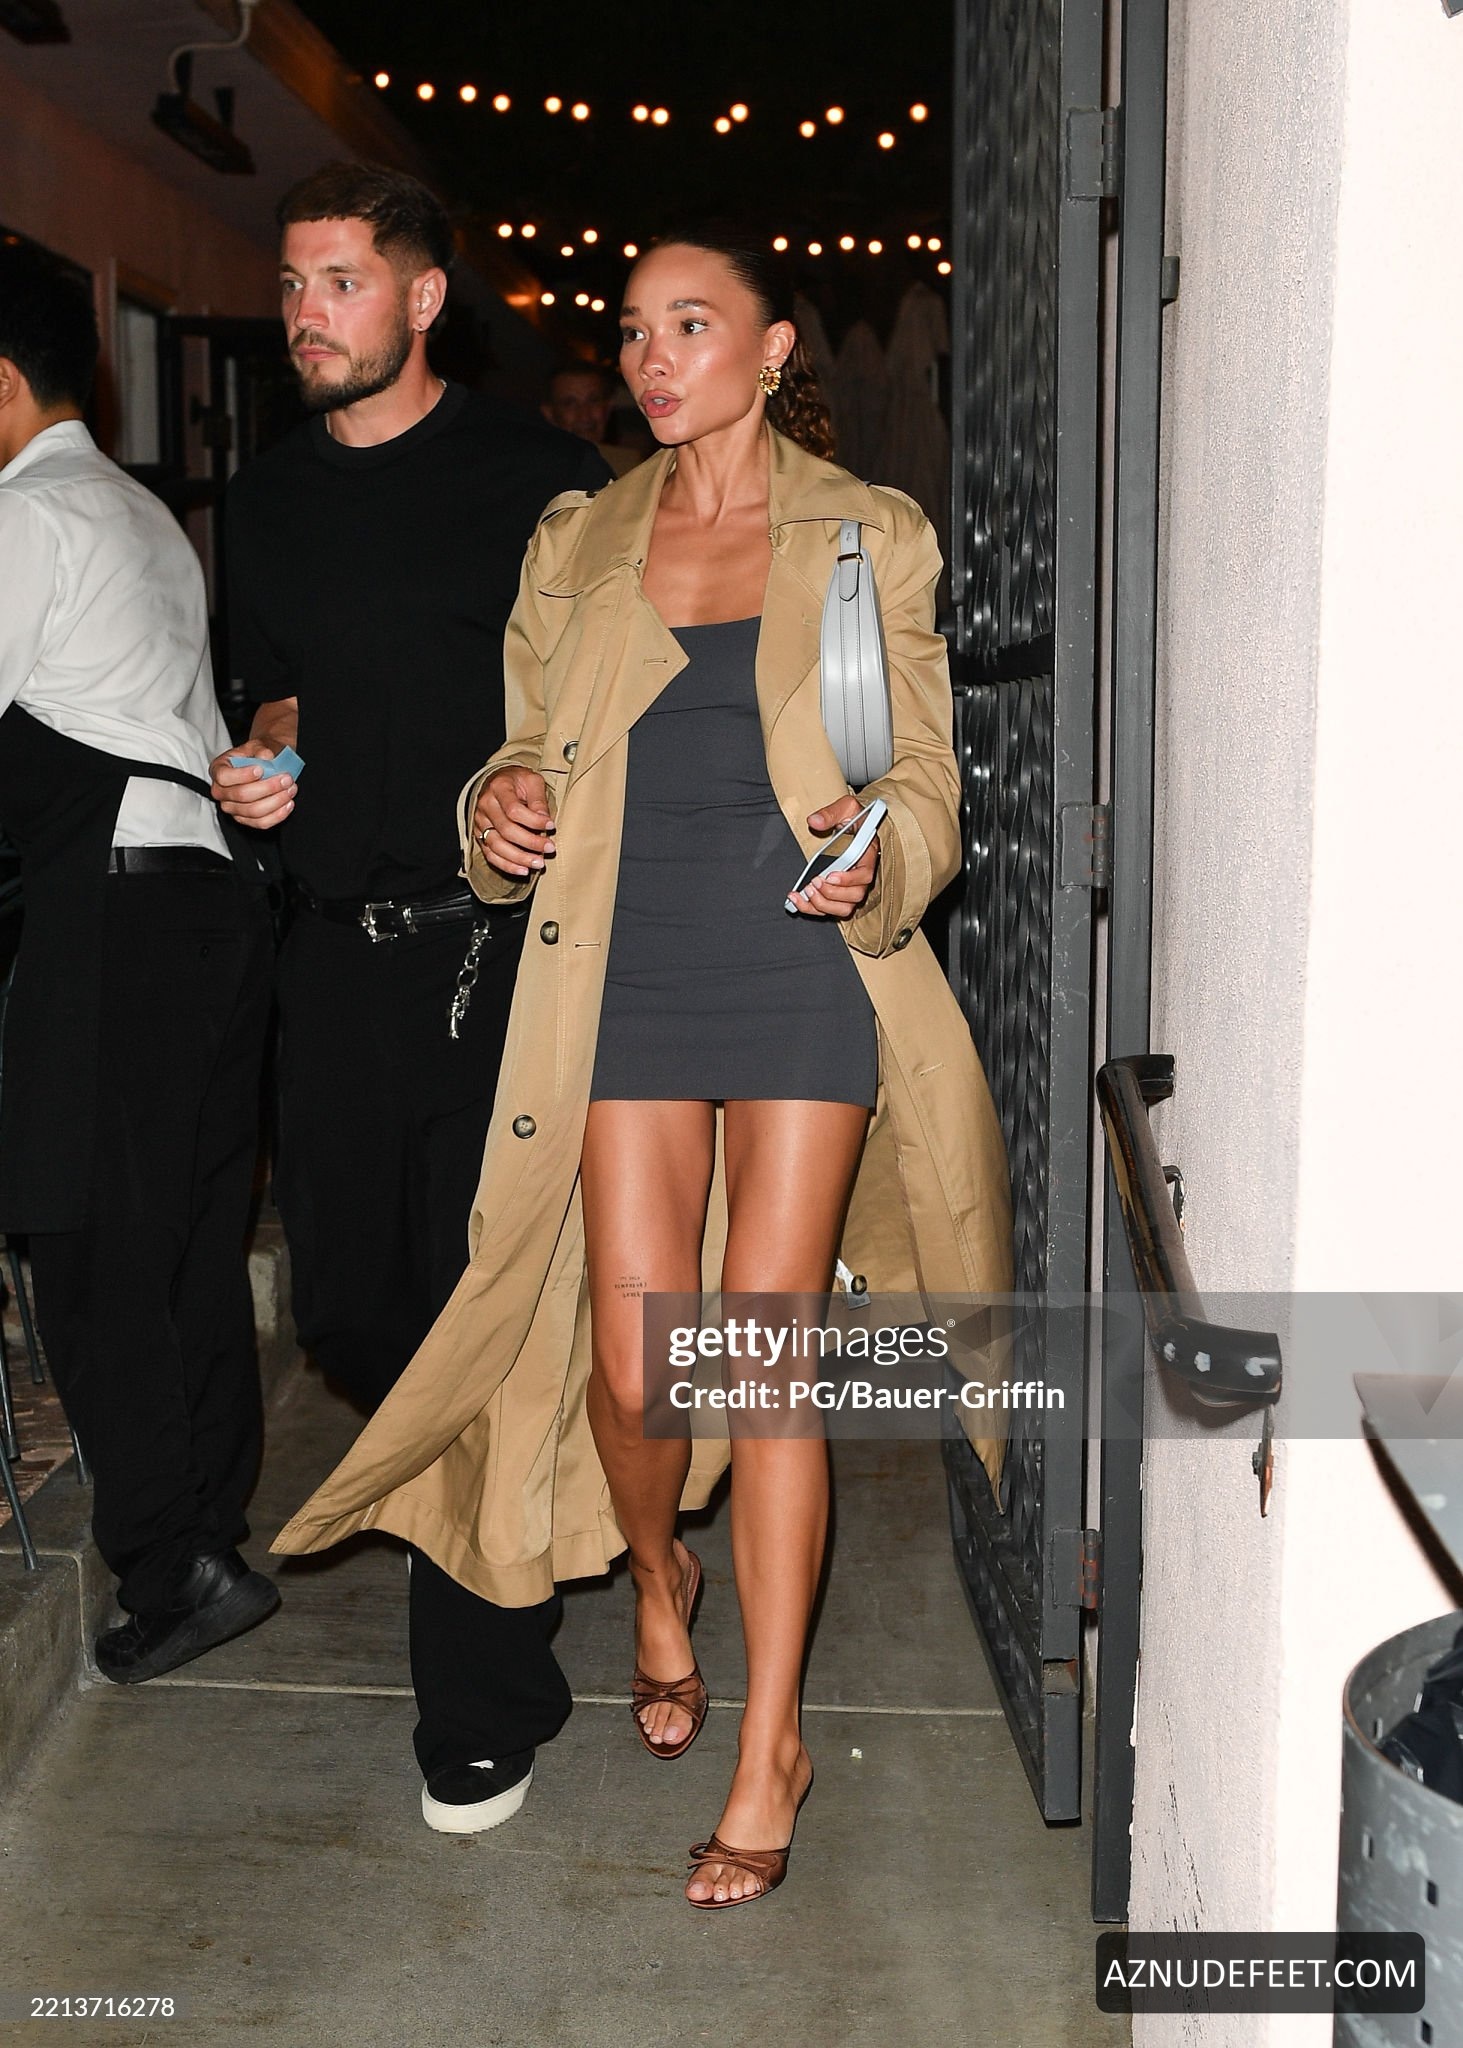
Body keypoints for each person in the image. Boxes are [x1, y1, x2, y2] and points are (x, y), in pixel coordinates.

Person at [272, 225, 1014, 1906]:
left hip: (800, 964)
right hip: (621, 970)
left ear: (770, 348)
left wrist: (880, 847)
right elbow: (516, 752)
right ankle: (660, 1575)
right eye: (635, 328)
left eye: (693, 323)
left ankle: (773, 1747)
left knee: (758, 1358)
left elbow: (921, 780)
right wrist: (495, 809)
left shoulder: (862, 535)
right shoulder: (580, 538)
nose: (655, 355)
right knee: (632, 1373)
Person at [214, 163, 610, 1833]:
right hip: (327, 958)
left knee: (474, 1318)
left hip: (491, 957)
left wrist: (538, 792)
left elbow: (606, 699)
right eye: (292, 286)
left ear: (423, 298)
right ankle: (518, 1532)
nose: (304, 315)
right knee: (352, 1316)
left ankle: (478, 1694)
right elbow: (283, 686)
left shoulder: (540, 483)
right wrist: (266, 760)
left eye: (339, 284)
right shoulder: (267, 499)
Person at [0, 246, 277, 1680]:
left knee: (87, 1244)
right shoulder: (144, 513)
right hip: (207, 901)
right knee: (184, 1244)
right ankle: (207, 1530)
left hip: (112, 905)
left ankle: (174, 1565)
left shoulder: (25, 514)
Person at [541, 361, 641, 475]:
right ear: (549, 413)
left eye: (594, 401)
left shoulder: (631, 466)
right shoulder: (537, 469)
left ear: (608, 407)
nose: (584, 416)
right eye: (570, 404)